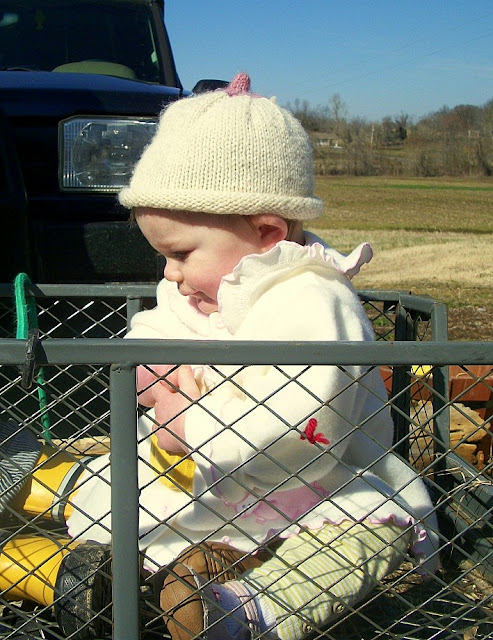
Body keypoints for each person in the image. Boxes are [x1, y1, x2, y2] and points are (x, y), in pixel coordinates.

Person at [0, 73, 440, 640]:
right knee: (121, 484)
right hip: (206, 489)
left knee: (367, 534)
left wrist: (191, 424)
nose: (169, 274)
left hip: (316, 491)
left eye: (181, 253)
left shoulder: (313, 302)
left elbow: (306, 425)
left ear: (267, 232)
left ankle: (243, 611)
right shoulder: (202, 286)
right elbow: (159, 325)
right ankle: (174, 570)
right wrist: (151, 368)